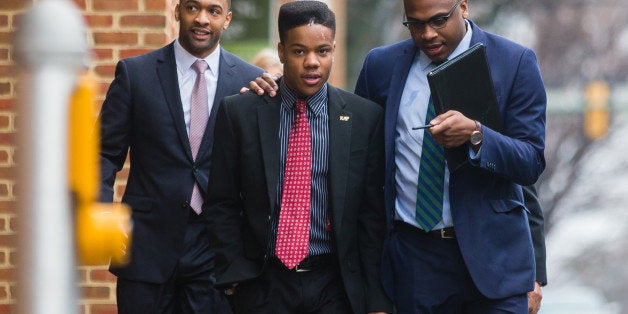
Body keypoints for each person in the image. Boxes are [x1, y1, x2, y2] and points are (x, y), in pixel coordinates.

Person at [248, 0, 547, 312]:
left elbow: (530, 162)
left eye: (440, 20)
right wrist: (281, 89)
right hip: (412, 263)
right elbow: (348, 143)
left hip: (492, 265)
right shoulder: (381, 66)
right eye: (416, 24)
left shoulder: (514, 62)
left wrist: (477, 135)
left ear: (464, 7)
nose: (428, 33)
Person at [204, 1, 392, 313]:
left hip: (334, 284)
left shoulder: (364, 118)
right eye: (299, 51)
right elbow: (221, 202)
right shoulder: (240, 112)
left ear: (333, 48)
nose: (312, 62)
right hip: (263, 283)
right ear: (281, 51)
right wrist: (234, 275)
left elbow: (371, 217)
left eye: (322, 51)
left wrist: (375, 299)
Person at [98, 0, 263, 312]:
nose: (201, 19)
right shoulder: (136, 75)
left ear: (226, 20)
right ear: (176, 11)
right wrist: (103, 210)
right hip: (146, 246)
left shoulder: (249, 81)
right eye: (192, 8)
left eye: (213, 11)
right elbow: (103, 153)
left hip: (216, 251)